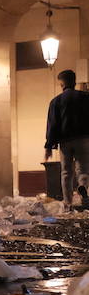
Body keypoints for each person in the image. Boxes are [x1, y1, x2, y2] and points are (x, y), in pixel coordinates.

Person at [44, 68, 89, 208]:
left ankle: (68, 203)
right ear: (74, 82)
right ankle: (82, 187)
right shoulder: (86, 97)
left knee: (66, 172)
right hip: (83, 138)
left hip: (65, 141)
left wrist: (49, 146)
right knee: (83, 169)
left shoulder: (56, 101)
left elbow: (52, 124)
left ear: (62, 84)